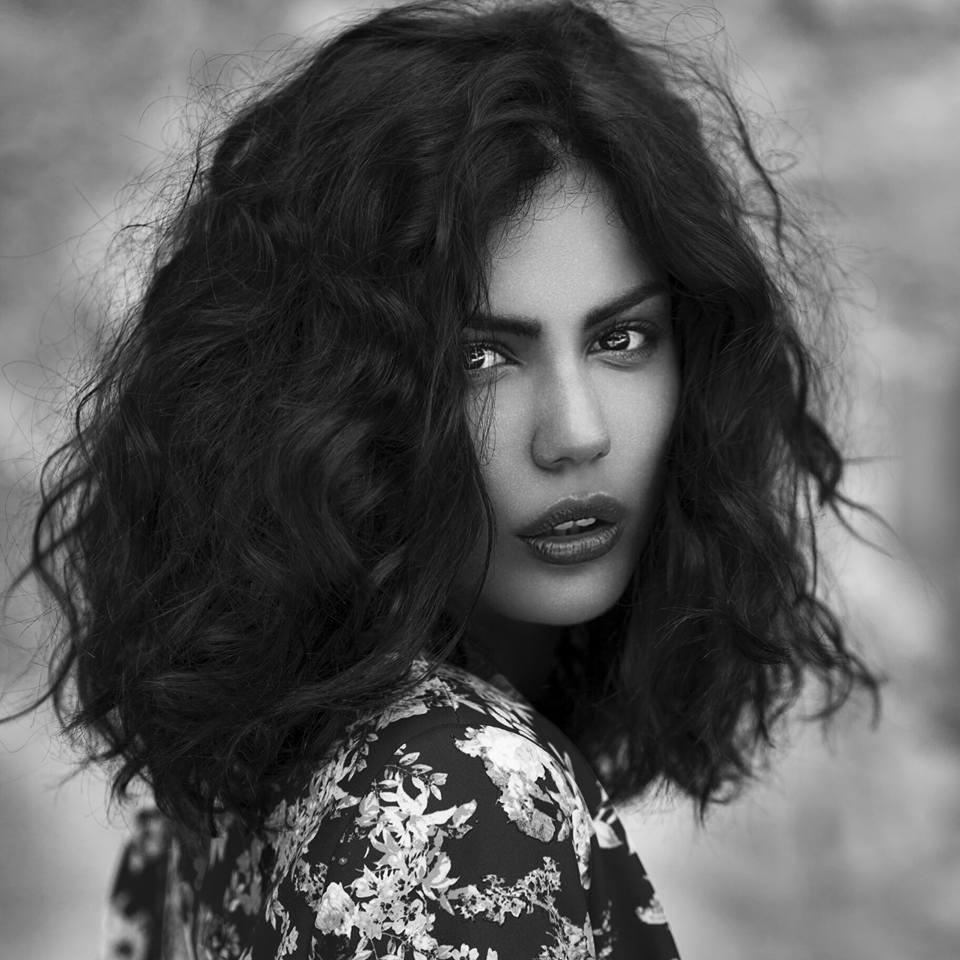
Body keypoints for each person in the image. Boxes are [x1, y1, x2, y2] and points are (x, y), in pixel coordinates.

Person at [0, 0, 885, 957]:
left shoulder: (226, 777)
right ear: (326, 402)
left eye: (622, 338)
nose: (576, 435)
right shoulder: (459, 803)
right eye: (480, 358)